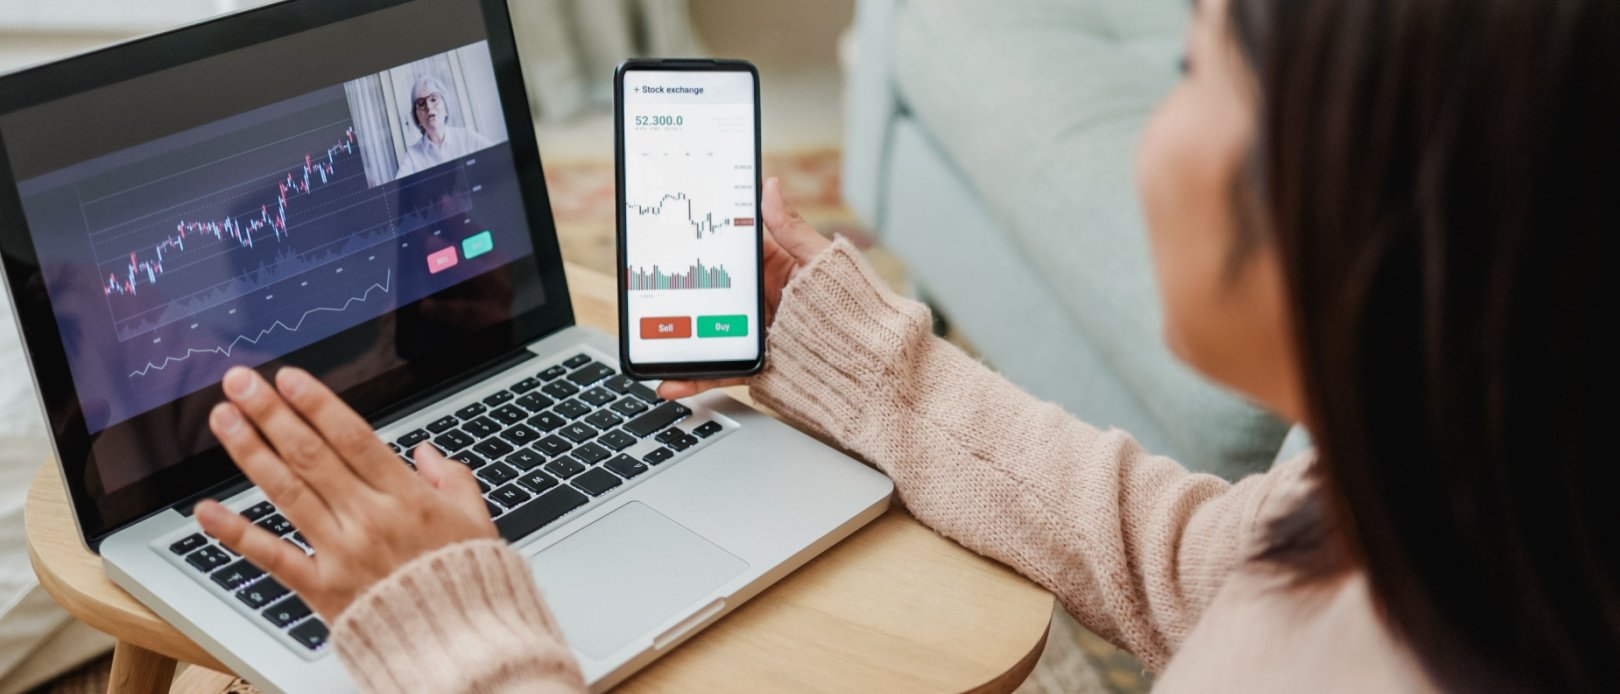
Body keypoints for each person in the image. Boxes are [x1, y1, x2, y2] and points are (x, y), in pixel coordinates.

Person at [191, 0, 1619, 691]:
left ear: (1379, 197)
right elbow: (1208, 563)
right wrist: (866, 360)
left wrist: (467, 634)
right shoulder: (1462, 501)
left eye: (1195, 66)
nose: (1143, 140)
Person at [394, 75, 493, 178]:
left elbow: (498, 158)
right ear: (417, 117)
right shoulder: (412, 155)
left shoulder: (466, 137)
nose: (428, 107)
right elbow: (398, 190)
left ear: (446, 108)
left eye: (433, 99)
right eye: (421, 103)